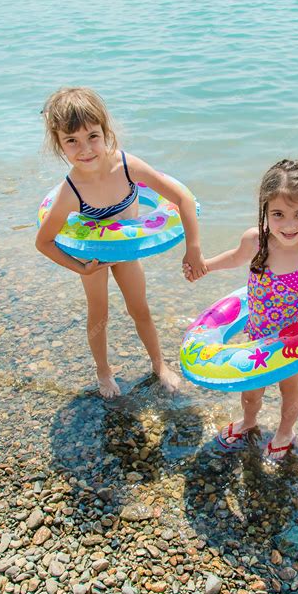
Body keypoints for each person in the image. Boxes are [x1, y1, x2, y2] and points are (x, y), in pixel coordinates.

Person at [183, 159, 298, 462]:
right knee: (251, 391)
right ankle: (249, 422)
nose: (289, 225)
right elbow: (234, 258)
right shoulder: (256, 241)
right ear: (264, 210)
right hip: (257, 334)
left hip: (292, 343)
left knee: (289, 391)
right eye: (278, 214)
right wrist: (205, 266)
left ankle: (285, 432)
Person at [36, 87, 206, 398]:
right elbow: (44, 241)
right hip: (94, 257)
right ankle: (103, 371)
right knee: (98, 313)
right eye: (71, 141)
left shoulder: (127, 167)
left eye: (92, 136)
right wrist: (81, 268)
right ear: (60, 145)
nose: (85, 148)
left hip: (126, 251)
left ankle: (159, 364)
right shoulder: (70, 192)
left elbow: (182, 198)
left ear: (106, 131)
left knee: (139, 308)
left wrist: (193, 247)